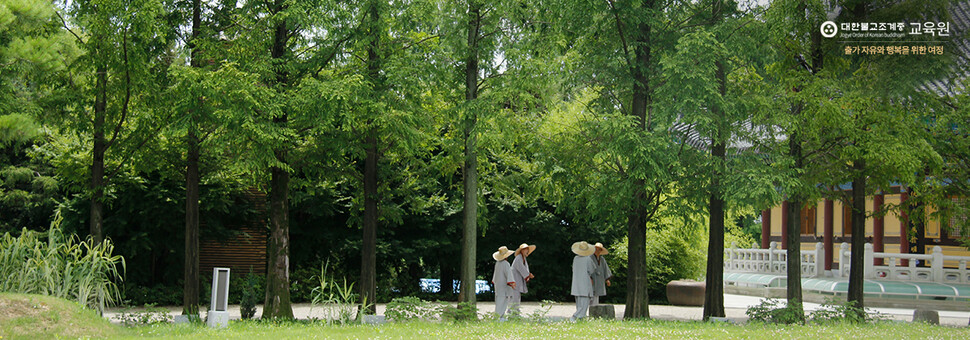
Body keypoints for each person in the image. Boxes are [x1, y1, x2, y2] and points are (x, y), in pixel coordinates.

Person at [570, 241, 597, 321]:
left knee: (579, 303)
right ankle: (575, 317)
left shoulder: (575, 259)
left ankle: (580, 319)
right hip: (585, 284)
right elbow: (591, 270)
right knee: (584, 304)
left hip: (576, 284)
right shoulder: (588, 259)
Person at [490, 246, 516, 319]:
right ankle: (499, 317)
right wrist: (512, 283)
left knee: (499, 302)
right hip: (504, 287)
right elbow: (509, 275)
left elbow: (495, 277)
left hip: (498, 286)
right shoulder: (506, 264)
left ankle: (498, 317)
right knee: (503, 302)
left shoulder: (497, 263)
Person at [510, 243, 535, 313]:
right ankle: (513, 312)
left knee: (517, 296)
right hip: (514, 279)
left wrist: (528, 274)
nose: (527, 251)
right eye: (525, 250)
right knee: (514, 296)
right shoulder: (518, 258)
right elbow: (521, 269)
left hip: (517, 279)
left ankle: (515, 311)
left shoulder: (523, 258)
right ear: (522, 251)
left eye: (527, 250)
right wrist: (528, 275)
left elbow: (525, 269)